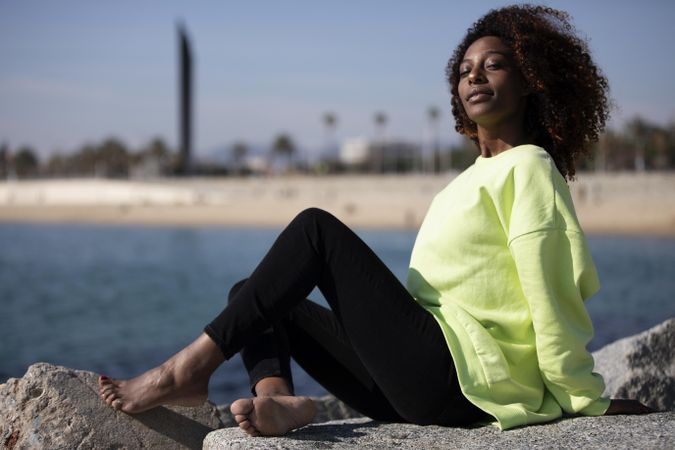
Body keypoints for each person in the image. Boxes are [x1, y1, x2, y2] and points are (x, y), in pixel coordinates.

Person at [98, 5, 652, 435]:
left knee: (316, 231)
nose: (475, 77)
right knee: (253, 294)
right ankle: (277, 401)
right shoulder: (471, 177)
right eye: (464, 70)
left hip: (462, 381)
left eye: (495, 64)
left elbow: (549, 296)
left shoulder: (529, 169)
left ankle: (184, 370)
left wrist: (585, 401)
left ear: (529, 80)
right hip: (408, 386)